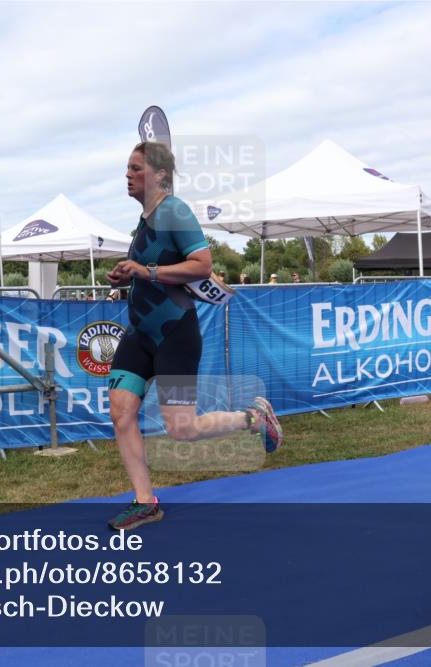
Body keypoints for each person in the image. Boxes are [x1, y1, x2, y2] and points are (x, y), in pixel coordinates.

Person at [104, 141, 282, 531]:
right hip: (139, 335)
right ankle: (145, 502)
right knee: (120, 412)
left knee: (181, 429)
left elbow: (202, 266)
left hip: (175, 337)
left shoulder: (175, 211)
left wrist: (146, 271)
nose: (128, 175)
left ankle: (253, 418)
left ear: (161, 175)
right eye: (127, 168)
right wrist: (123, 277)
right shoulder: (145, 219)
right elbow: (151, 269)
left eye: (136, 168)